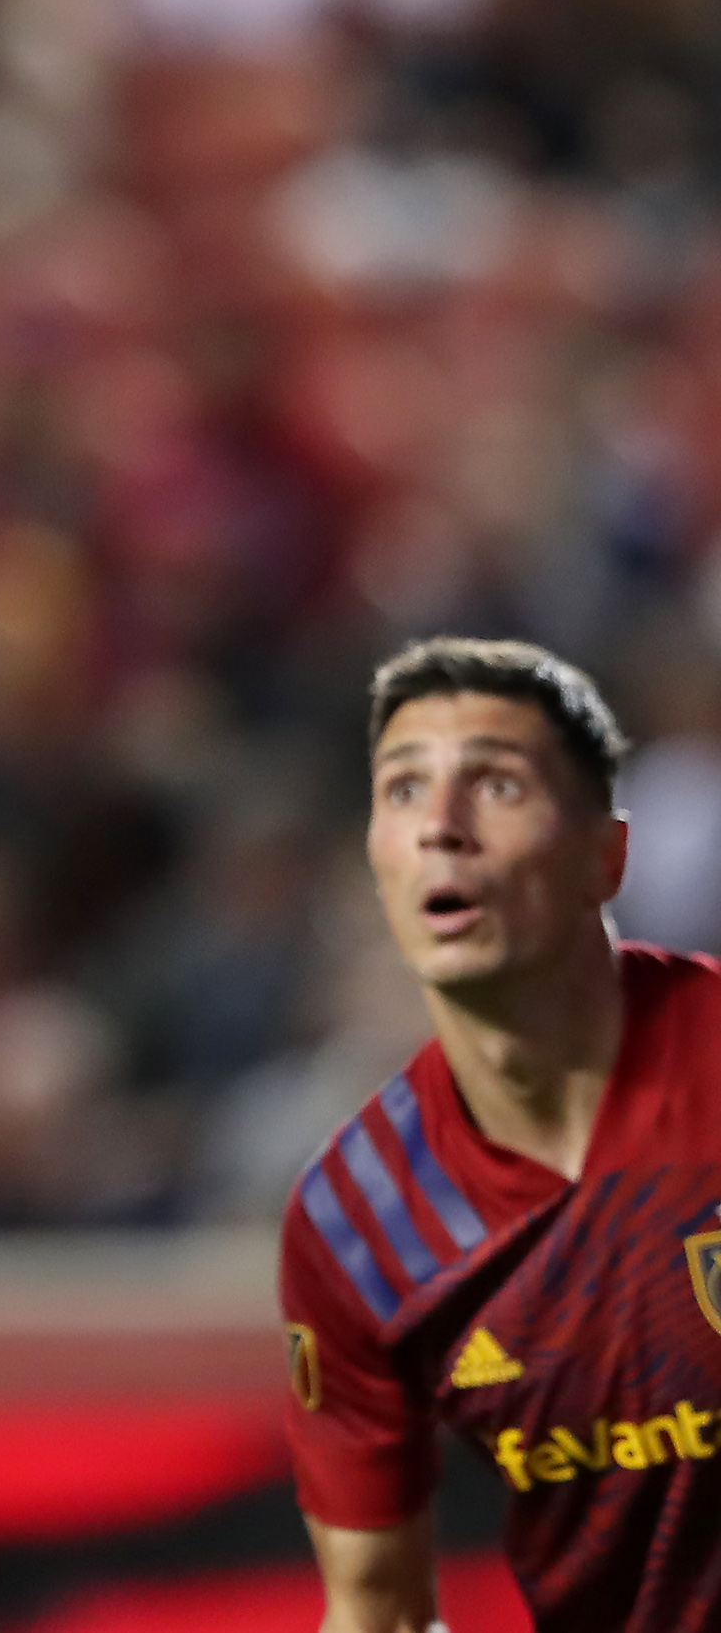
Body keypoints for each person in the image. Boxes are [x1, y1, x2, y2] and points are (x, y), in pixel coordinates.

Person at [285, 637, 721, 1632]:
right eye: (405, 791)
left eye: (498, 786)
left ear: (604, 857)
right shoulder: (355, 1216)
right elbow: (377, 1610)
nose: (444, 827)